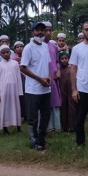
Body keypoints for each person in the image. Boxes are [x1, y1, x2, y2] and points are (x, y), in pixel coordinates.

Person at [20, 22, 52, 151]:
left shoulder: (45, 46)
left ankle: (41, 140)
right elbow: (22, 68)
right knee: (33, 118)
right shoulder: (28, 48)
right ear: (32, 32)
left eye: (42, 30)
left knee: (45, 116)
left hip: (46, 88)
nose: (40, 32)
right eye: (37, 30)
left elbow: (46, 65)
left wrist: (48, 77)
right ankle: (33, 142)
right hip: (33, 89)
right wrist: (40, 79)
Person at [0, 45, 24, 134]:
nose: (6, 54)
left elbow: (19, 78)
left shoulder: (15, 63)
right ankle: (5, 128)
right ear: (1, 54)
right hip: (3, 90)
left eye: (7, 52)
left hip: (14, 90)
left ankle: (18, 127)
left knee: (16, 107)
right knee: (4, 108)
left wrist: (20, 91)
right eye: (3, 53)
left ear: (10, 52)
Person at [44, 21, 62, 133]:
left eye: (50, 30)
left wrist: (58, 70)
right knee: (46, 103)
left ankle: (57, 126)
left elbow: (56, 61)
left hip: (54, 78)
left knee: (55, 102)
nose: (48, 32)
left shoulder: (53, 46)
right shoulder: (38, 46)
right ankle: (48, 127)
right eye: (46, 30)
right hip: (43, 79)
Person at [59, 51, 76, 131]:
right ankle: (64, 126)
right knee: (63, 107)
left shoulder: (71, 69)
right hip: (62, 91)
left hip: (71, 91)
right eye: (62, 59)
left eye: (66, 58)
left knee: (71, 107)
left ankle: (72, 125)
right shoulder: (58, 70)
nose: (64, 60)